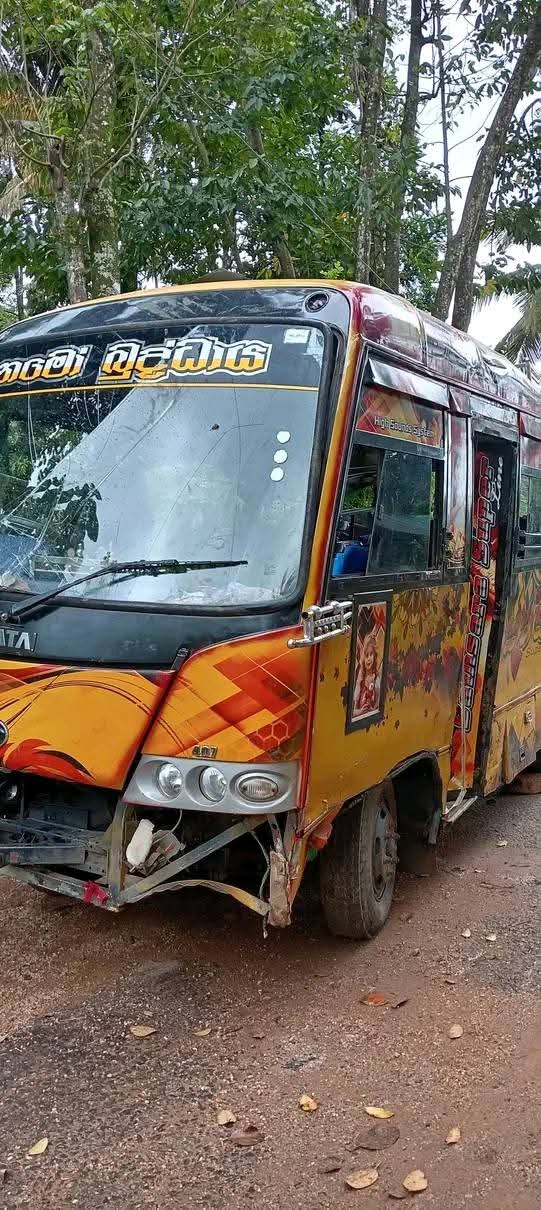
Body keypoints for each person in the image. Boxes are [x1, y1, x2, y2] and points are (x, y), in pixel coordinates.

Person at [354, 632, 380, 716]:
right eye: (366, 655)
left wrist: (372, 711)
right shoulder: (360, 681)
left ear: (374, 656)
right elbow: (352, 712)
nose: (369, 659)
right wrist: (360, 712)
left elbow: (378, 707)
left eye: (371, 654)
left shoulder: (376, 680)